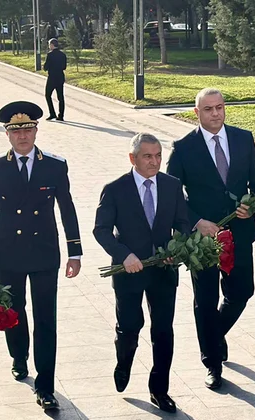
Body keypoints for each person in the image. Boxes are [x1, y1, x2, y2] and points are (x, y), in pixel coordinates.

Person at [0, 101, 83, 411]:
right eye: (15, 130)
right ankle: (19, 355)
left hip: (45, 252)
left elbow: (68, 209)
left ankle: (46, 385)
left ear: (37, 130)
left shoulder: (54, 165)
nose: (22, 135)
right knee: (15, 312)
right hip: (8, 253)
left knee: (46, 319)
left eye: (27, 129)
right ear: (7, 134)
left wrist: (74, 251)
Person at [166, 87, 255, 390]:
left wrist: (253, 205)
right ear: (197, 113)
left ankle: (214, 335)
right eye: (208, 109)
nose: (215, 114)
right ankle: (212, 361)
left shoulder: (243, 138)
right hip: (203, 240)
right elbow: (172, 194)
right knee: (206, 300)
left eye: (219, 107)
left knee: (242, 292)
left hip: (239, 232)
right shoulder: (183, 147)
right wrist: (196, 221)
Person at [93, 133, 191, 413]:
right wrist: (124, 255)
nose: (154, 161)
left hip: (163, 269)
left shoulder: (172, 186)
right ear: (132, 158)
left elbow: (183, 223)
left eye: (158, 155)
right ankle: (123, 362)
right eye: (148, 156)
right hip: (129, 271)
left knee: (163, 330)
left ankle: (159, 389)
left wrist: (178, 246)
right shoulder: (115, 189)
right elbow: (101, 230)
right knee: (129, 327)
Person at [43, 38, 66, 121]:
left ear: (52, 45)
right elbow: (64, 67)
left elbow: (45, 67)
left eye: (49, 45)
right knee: (61, 97)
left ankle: (52, 113)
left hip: (52, 78)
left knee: (48, 95)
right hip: (60, 77)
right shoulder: (63, 55)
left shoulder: (50, 55)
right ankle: (61, 115)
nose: (49, 46)